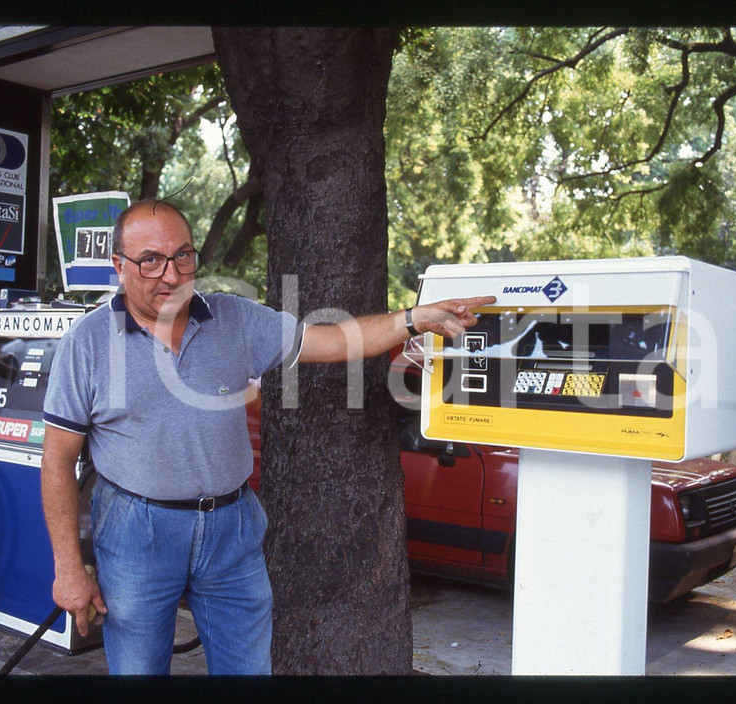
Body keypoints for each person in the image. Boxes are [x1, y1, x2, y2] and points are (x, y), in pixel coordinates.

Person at [41, 199, 494, 675]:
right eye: (150, 260)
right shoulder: (86, 343)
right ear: (119, 266)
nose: (171, 275)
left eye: (183, 256)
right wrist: (68, 567)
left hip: (231, 530)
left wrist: (413, 319)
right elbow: (57, 461)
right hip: (137, 532)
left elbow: (334, 340)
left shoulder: (235, 319)